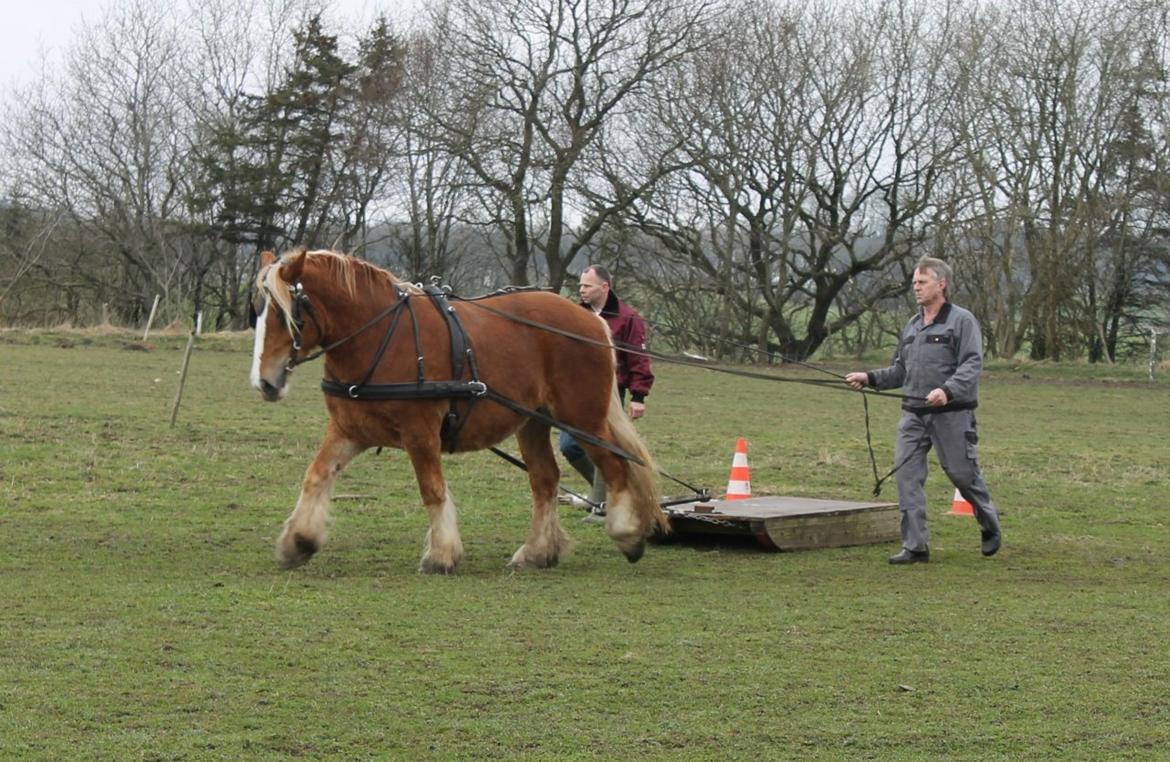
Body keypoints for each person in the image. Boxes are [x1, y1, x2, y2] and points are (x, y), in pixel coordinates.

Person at [845, 257, 1002, 564]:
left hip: (952, 414)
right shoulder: (913, 324)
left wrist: (947, 390)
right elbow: (900, 370)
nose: (915, 288)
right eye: (914, 283)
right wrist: (870, 378)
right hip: (913, 414)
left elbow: (972, 364)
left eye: (922, 282)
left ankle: (989, 523)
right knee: (907, 478)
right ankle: (915, 546)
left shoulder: (962, 321)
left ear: (941, 284)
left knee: (962, 475)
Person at [561, 264, 654, 519]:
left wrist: (638, 397)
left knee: (601, 442)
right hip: (573, 389)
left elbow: (638, 358)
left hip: (609, 391)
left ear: (604, 287)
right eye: (580, 285)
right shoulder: (576, 314)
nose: (582, 290)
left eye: (587, 286)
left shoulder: (628, 317)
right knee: (570, 446)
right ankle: (605, 492)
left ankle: (603, 503)